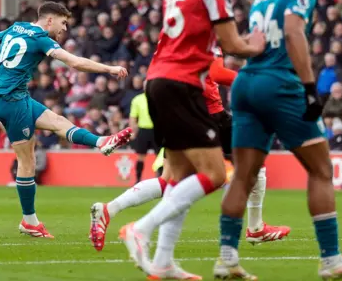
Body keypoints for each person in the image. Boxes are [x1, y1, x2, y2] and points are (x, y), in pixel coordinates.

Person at [214, 0, 342, 280]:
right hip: (280, 85)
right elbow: (292, 32)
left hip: (246, 83)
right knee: (320, 170)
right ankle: (331, 260)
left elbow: (250, 41)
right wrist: (309, 88)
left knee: (243, 175)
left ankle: (226, 258)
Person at [118, 0, 266, 279]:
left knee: (180, 175)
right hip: (183, 83)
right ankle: (141, 228)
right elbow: (231, 44)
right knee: (215, 173)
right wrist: (258, 48)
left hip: (158, 78)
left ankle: (165, 260)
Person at [0, 2, 133, 238]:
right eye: (63, 23)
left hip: (15, 99)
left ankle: (101, 142)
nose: (64, 29)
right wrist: (110, 69)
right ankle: (29, 221)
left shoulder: (16, 28)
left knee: (58, 122)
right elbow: (74, 62)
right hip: (13, 103)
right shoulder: (41, 38)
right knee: (27, 162)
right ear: (50, 20)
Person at [89, 48, 290, 252]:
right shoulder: (203, 29)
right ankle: (253, 228)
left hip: (176, 115)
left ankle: (110, 209)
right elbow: (218, 73)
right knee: (242, 166)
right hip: (207, 115)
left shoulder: (171, 35)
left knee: (168, 181)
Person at [128, 88, 160, 184]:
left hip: (157, 130)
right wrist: (132, 132)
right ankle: (138, 179)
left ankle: (160, 179)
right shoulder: (138, 99)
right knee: (140, 156)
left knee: (159, 157)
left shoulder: (159, 97)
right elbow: (133, 117)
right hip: (143, 130)